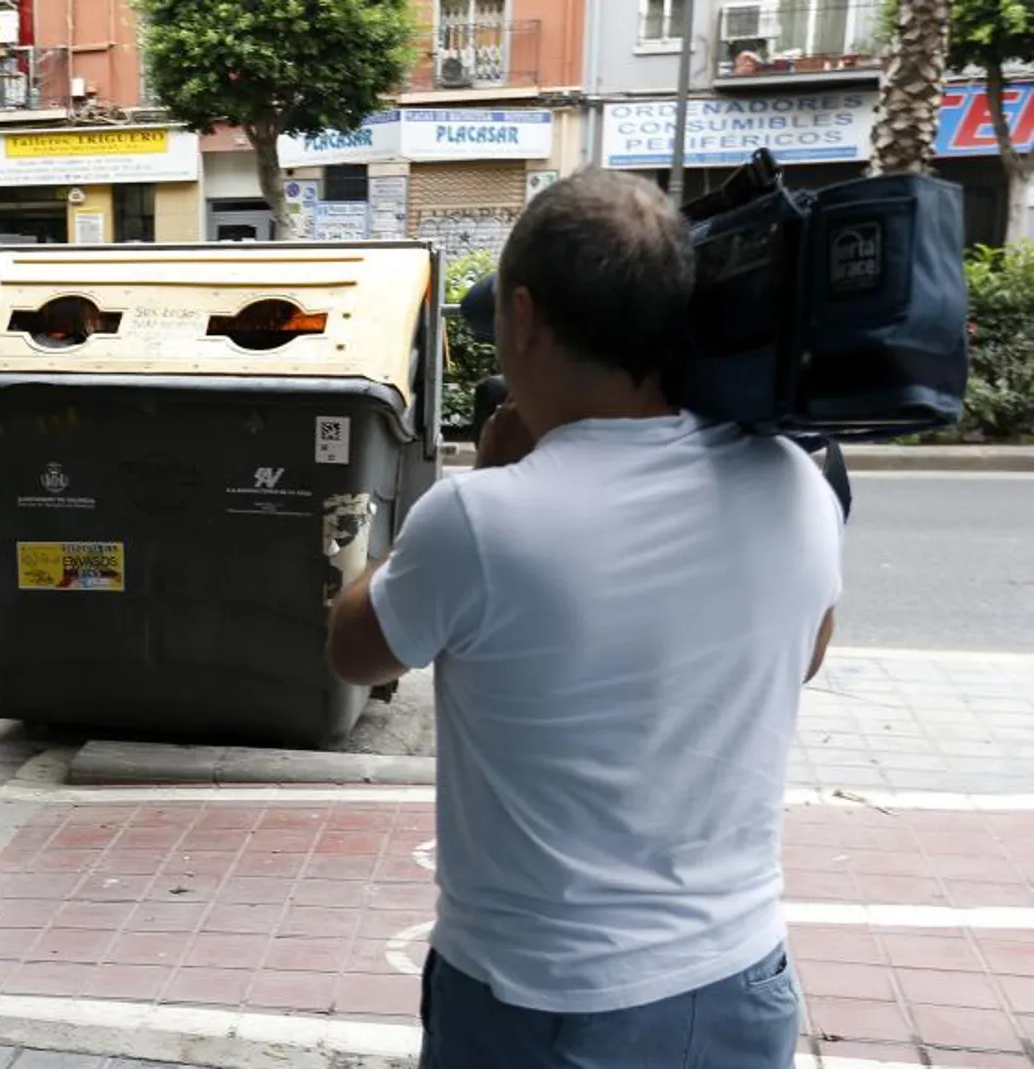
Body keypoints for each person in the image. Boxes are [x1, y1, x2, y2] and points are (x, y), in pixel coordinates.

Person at [323, 168, 843, 1066]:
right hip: (741, 986)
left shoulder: (483, 519)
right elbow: (802, 654)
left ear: (522, 317)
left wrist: (485, 477)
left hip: (544, 1004)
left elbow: (355, 652)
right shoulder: (796, 482)